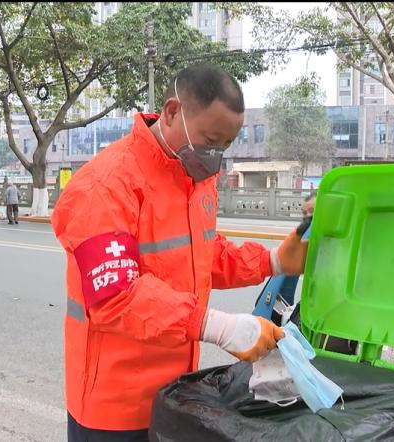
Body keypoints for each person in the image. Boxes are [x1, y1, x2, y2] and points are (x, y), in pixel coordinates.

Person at [51, 64, 309, 441]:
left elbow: (204, 255)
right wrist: (220, 327)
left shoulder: (196, 179)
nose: (215, 154)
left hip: (175, 392)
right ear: (172, 112)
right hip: (114, 407)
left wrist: (271, 262)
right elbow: (115, 296)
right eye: (209, 140)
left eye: (225, 144)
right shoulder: (107, 184)